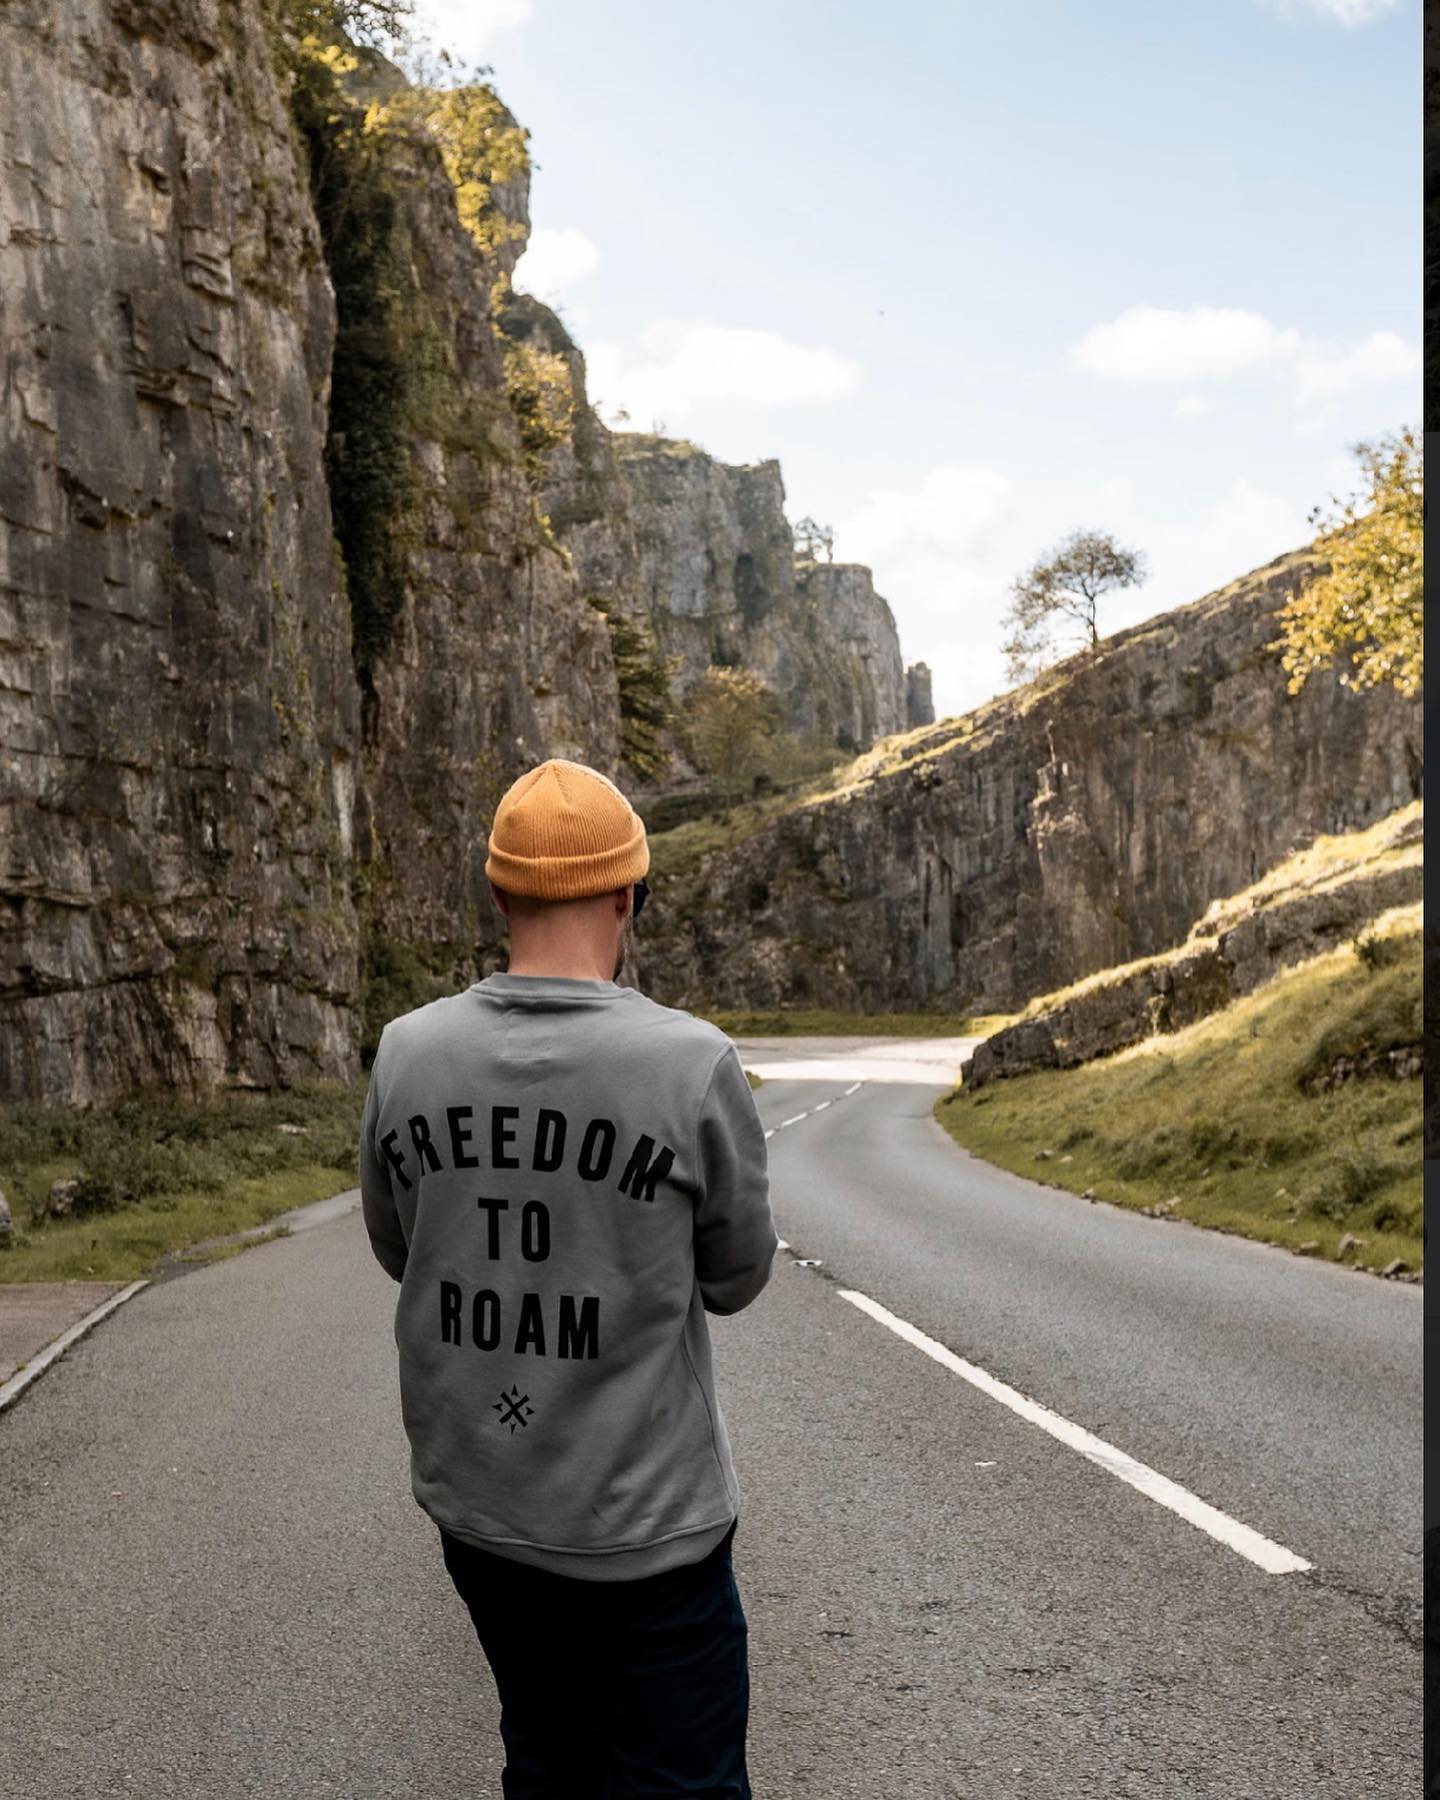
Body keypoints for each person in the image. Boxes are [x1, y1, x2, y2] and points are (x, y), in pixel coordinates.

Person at [359, 756, 778, 1799]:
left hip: (482, 1520)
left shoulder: (406, 1054)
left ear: (498, 895)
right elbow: (737, 1274)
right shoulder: (689, 1063)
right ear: (629, 894)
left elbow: (397, 1247)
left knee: (545, 1757)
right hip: (650, 1539)